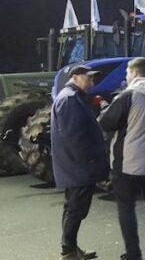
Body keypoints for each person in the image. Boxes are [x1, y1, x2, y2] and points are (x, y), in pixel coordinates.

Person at [98, 57, 145, 260]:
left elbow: (106, 123)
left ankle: (133, 254)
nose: (126, 77)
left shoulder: (128, 96)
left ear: (135, 73)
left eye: (127, 73)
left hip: (128, 164)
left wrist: (105, 109)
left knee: (126, 208)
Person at [51, 65, 107, 260]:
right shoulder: (69, 99)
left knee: (73, 208)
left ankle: (71, 248)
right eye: (88, 78)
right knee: (75, 209)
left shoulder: (72, 98)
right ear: (75, 77)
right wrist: (91, 160)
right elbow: (75, 137)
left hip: (76, 166)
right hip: (78, 166)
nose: (92, 83)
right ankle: (68, 252)